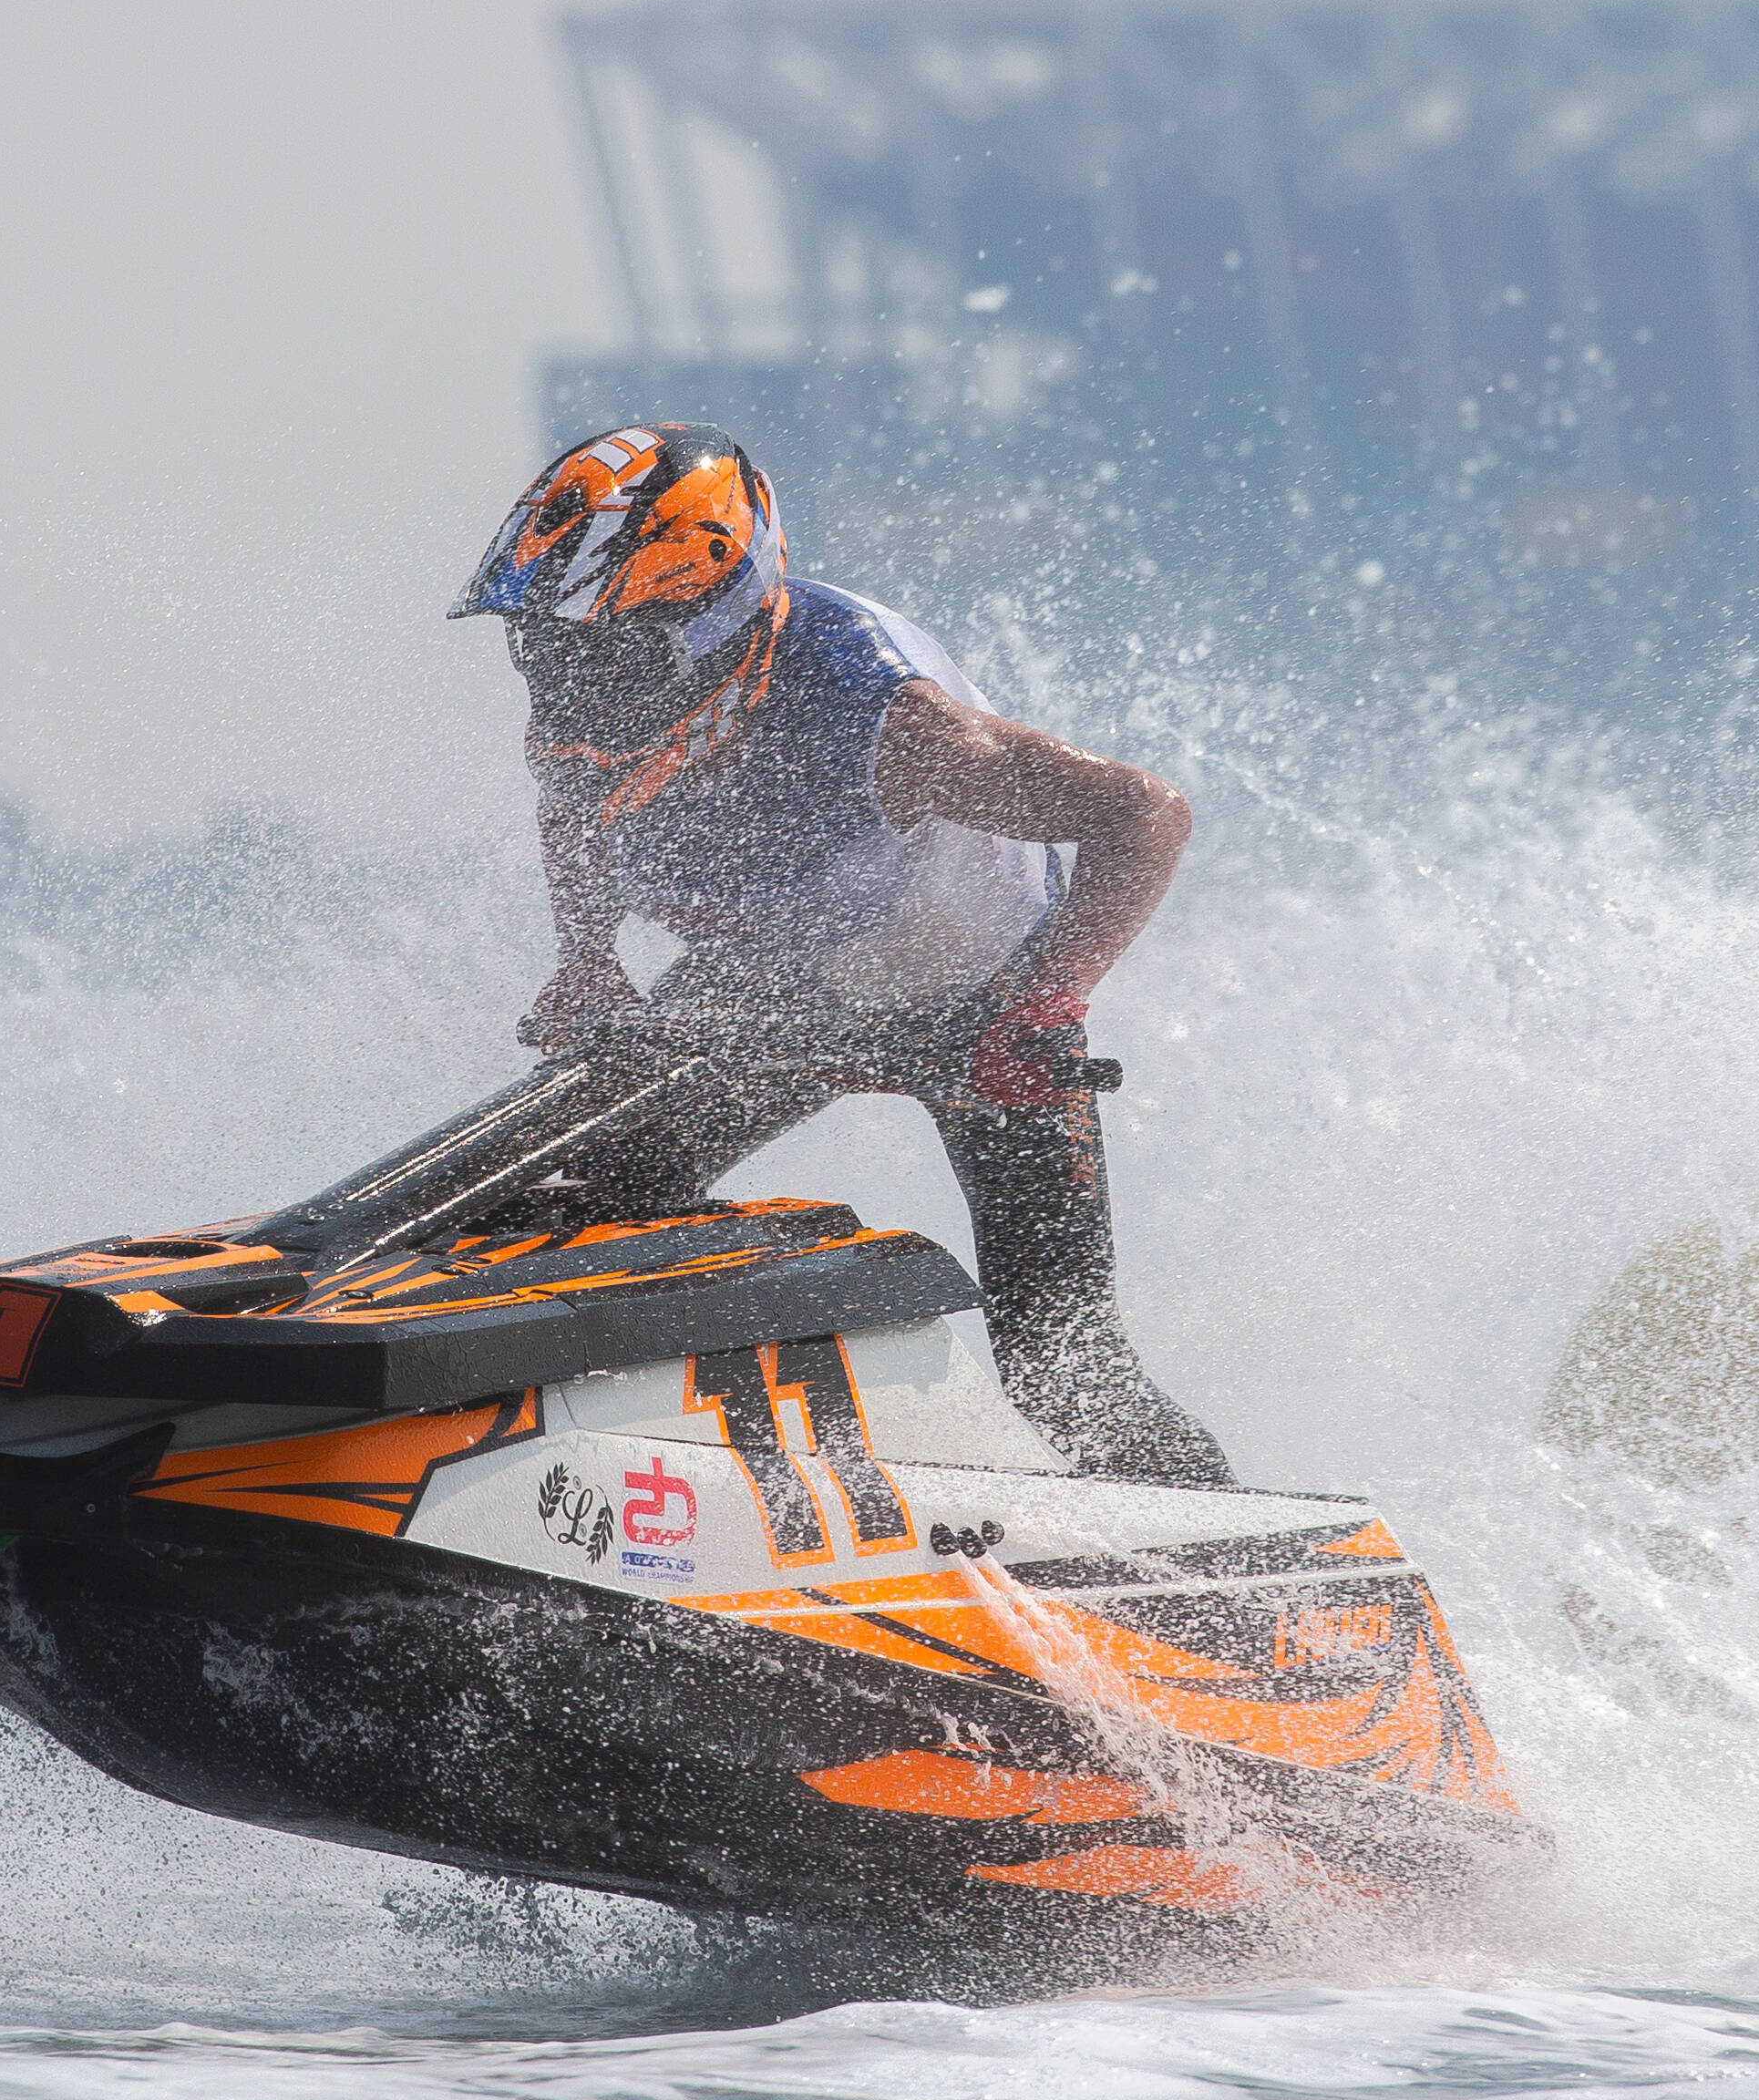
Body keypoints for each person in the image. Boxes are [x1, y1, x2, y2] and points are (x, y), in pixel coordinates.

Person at [447, 420, 1232, 1484]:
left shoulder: (889, 723)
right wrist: (587, 960)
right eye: (543, 648)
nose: (565, 690)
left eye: (597, 654)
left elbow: (1144, 816)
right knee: (577, 1201)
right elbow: (572, 817)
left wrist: (1047, 1007)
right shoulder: (590, 709)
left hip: (986, 1008)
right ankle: (627, 1478)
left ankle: (1264, 1563)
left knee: (1063, 1371)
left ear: (709, 625)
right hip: (774, 978)